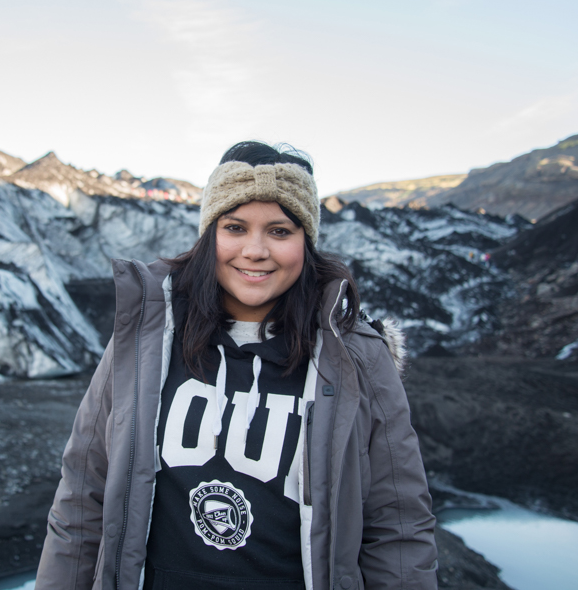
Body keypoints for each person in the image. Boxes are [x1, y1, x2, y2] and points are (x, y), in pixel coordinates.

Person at [36, 142, 438, 590]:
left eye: (280, 231)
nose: (255, 250)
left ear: (307, 241)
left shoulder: (356, 356)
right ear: (210, 236)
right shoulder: (148, 339)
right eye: (235, 227)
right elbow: (81, 499)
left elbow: (398, 526)